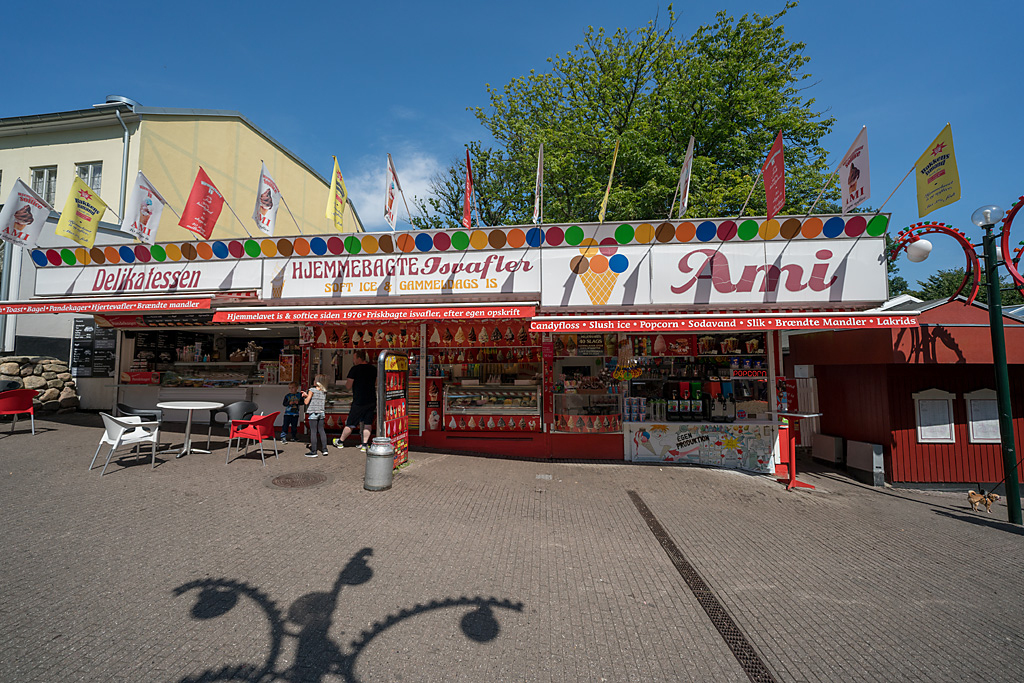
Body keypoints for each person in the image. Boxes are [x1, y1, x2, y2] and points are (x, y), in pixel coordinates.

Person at [333, 350, 376, 451]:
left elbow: (348, 386)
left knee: (351, 423)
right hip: (371, 399)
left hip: (359, 400)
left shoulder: (355, 369)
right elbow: (376, 383)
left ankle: (340, 441)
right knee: (367, 423)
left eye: (354, 358)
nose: (353, 360)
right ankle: (364, 445)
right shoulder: (373, 369)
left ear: (359, 358)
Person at [302, 374, 329, 457]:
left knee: (313, 431)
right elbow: (315, 398)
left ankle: (314, 451)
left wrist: (304, 396)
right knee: (321, 430)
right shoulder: (324, 391)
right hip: (321, 412)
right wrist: (308, 396)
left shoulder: (312, 390)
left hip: (313, 413)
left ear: (317, 382)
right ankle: (324, 449)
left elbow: (306, 402)